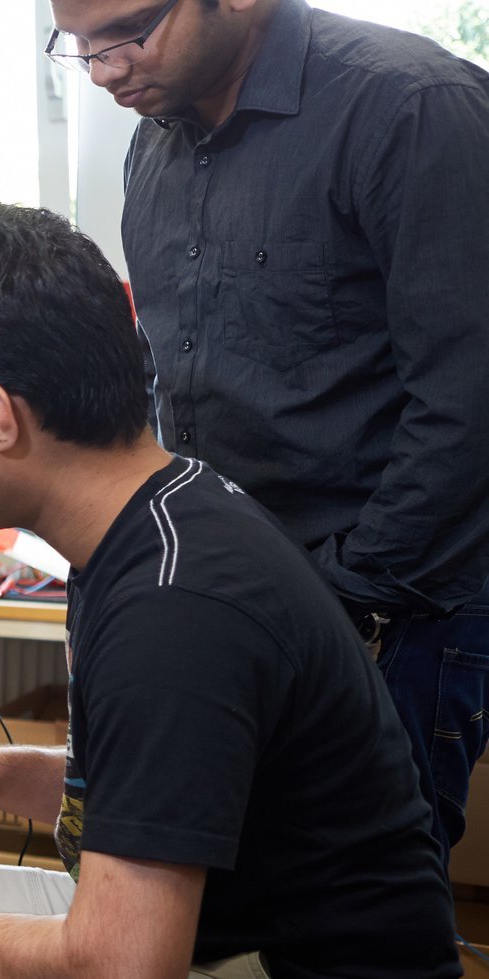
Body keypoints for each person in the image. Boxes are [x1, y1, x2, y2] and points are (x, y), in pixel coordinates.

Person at [0, 204, 458, 978]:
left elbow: (123, 966)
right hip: (211, 928)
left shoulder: (171, 610)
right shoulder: (161, 511)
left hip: (265, 962)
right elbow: (156, 786)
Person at [33, 0, 489, 865]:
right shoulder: (156, 139)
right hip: (246, 590)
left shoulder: (411, 107)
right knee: (239, 890)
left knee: (358, 900)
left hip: (398, 603)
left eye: (126, 32)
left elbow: (467, 407)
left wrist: (343, 596)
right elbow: (174, 379)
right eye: (78, 45)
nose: (102, 70)